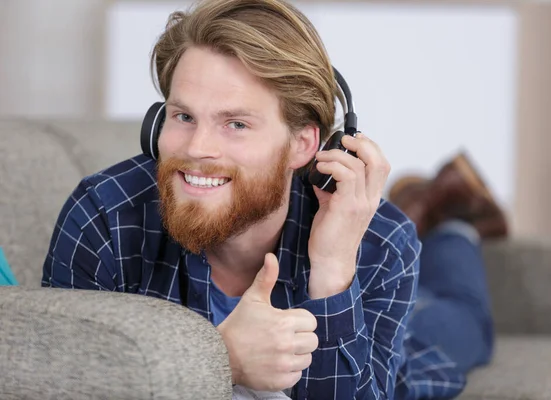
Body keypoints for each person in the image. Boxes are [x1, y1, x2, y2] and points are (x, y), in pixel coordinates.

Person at [41, 0, 507, 398]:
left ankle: (453, 225)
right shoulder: (103, 218)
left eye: (236, 124)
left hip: (402, 336)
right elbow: (59, 379)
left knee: (460, 332)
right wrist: (220, 360)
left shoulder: (378, 242)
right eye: (183, 116)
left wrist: (332, 271)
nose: (197, 148)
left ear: (304, 145)